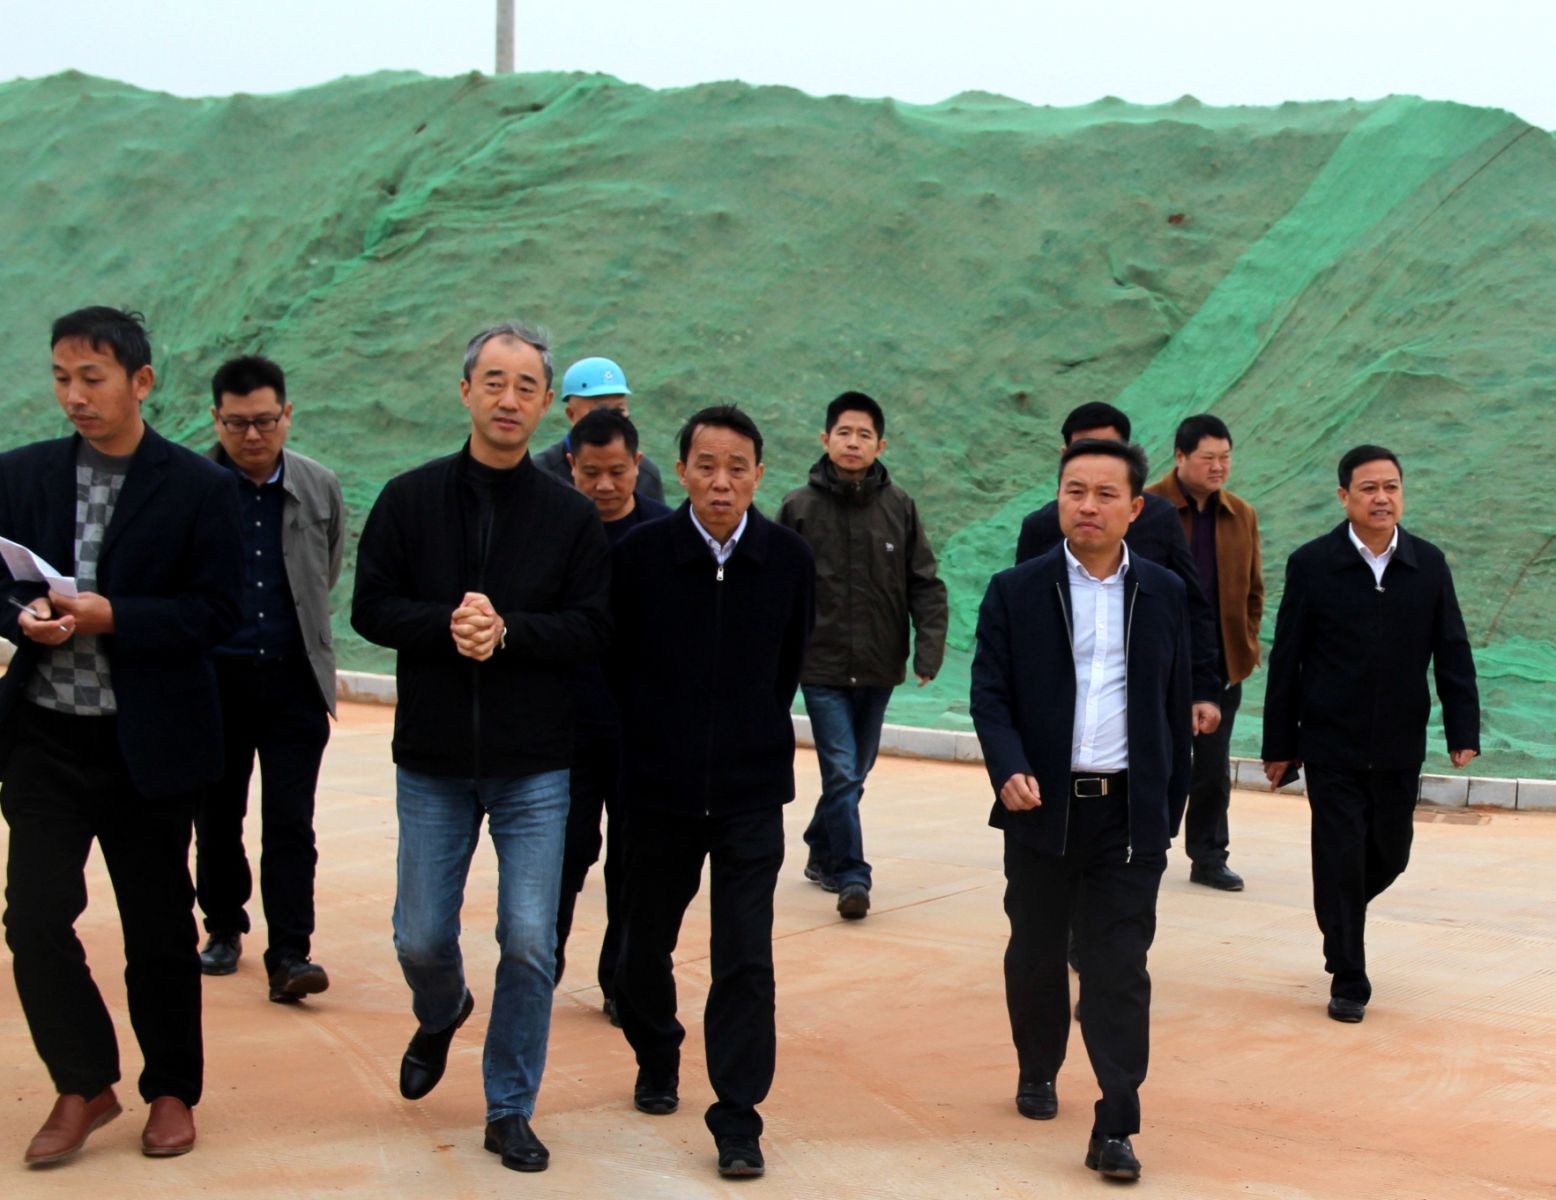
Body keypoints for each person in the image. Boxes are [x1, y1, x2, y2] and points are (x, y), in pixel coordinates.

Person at [351, 321, 611, 1173]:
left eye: (525, 385)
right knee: (421, 938)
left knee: (531, 941)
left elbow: (593, 626)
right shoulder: (409, 498)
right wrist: (447, 626)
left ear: (548, 405)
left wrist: (509, 633)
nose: (508, 398)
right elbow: (370, 605)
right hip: (432, 760)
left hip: (535, 762)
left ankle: (509, 1106)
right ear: (465, 391)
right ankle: (441, 1010)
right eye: (493, 381)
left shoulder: (570, 516)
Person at [0, 306, 243, 1164]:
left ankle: (171, 1090)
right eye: (62, 377)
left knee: (159, 927)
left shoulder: (199, 488)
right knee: (33, 919)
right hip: (46, 737)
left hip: (150, 743)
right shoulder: (21, 475)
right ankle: (84, 1084)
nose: (75, 395)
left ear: (140, 382)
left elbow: (218, 612)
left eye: (91, 378)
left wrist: (116, 617)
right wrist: (21, 614)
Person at [972, 438, 1191, 1184]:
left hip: (1127, 816)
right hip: (1042, 808)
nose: (1088, 506)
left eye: (1104, 494)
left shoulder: (1163, 593)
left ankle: (1117, 1122)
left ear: (1135, 507)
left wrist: (1167, 813)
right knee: (1036, 952)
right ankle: (1038, 1065)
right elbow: (990, 694)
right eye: (1075, 491)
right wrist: (1009, 767)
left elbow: (1173, 709)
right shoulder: (1017, 590)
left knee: (1118, 968)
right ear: (1059, 499)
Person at [608, 405, 814, 1179]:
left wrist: (747, 734)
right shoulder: (639, 556)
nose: (721, 482)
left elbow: (787, 665)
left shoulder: (788, 560)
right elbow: (616, 666)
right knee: (640, 949)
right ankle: (657, 1050)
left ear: (759, 474)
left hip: (750, 794)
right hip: (656, 792)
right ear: (681, 471)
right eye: (706, 466)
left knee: (745, 958)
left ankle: (738, 1118)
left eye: (736, 468)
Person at [1261, 445, 1478, 1024]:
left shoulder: (1428, 564)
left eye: (1391, 487)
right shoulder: (1313, 564)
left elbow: (1452, 650)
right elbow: (1287, 659)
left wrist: (1462, 727)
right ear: (1344, 497)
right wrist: (1280, 745)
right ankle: (1349, 977)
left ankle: (1339, 916)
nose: (1382, 498)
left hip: (1399, 743)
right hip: (1330, 742)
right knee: (1340, 855)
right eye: (1368, 488)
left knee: (1391, 854)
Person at [194, 355, 345, 1001]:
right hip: (214, 680)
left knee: (290, 822)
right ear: (216, 419)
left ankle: (290, 952)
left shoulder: (319, 485)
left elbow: (327, 566)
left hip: (292, 681)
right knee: (216, 816)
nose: (251, 435)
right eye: (236, 423)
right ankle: (223, 926)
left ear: (287, 415)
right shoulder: (192, 487)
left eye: (264, 420)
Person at [776, 390, 947, 919]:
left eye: (864, 435)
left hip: (878, 664)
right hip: (820, 665)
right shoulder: (798, 508)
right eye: (844, 433)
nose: (853, 442)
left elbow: (924, 582)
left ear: (880, 445)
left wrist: (928, 650)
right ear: (825, 439)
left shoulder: (900, 507)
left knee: (855, 771)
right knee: (843, 771)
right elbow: (774, 588)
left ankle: (819, 845)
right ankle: (853, 875)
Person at [553, 407, 670, 1017]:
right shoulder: (552, 529)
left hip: (639, 733)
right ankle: (539, 966)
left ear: (638, 464)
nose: (603, 485)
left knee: (633, 862)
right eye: (590, 472)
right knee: (562, 856)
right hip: (565, 730)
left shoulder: (663, 535)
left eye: (617, 472)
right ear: (570, 465)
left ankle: (619, 981)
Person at [1015, 402, 1221, 730]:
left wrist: (1203, 690)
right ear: (1065, 455)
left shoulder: (1160, 518)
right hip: (1059, 699)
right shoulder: (1039, 528)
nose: (1089, 508)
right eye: (1086, 449)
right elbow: (1022, 623)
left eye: (1109, 449)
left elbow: (1192, 608)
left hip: (1144, 693)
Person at [1145, 414, 1264, 891]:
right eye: (1208, 458)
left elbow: (1254, 589)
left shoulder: (1240, 514)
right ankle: (1144, 845)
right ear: (1180, 456)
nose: (1218, 467)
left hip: (1220, 664)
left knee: (1212, 768)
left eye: (1225, 458)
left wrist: (1244, 642)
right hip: (1161, 661)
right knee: (1155, 758)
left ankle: (1209, 856)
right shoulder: (1147, 507)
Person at [532, 356, 666, 501]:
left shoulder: (646, 475)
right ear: (571, 414)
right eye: (600, 410)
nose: (610, 419)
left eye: (619, 410)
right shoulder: (539, 473)